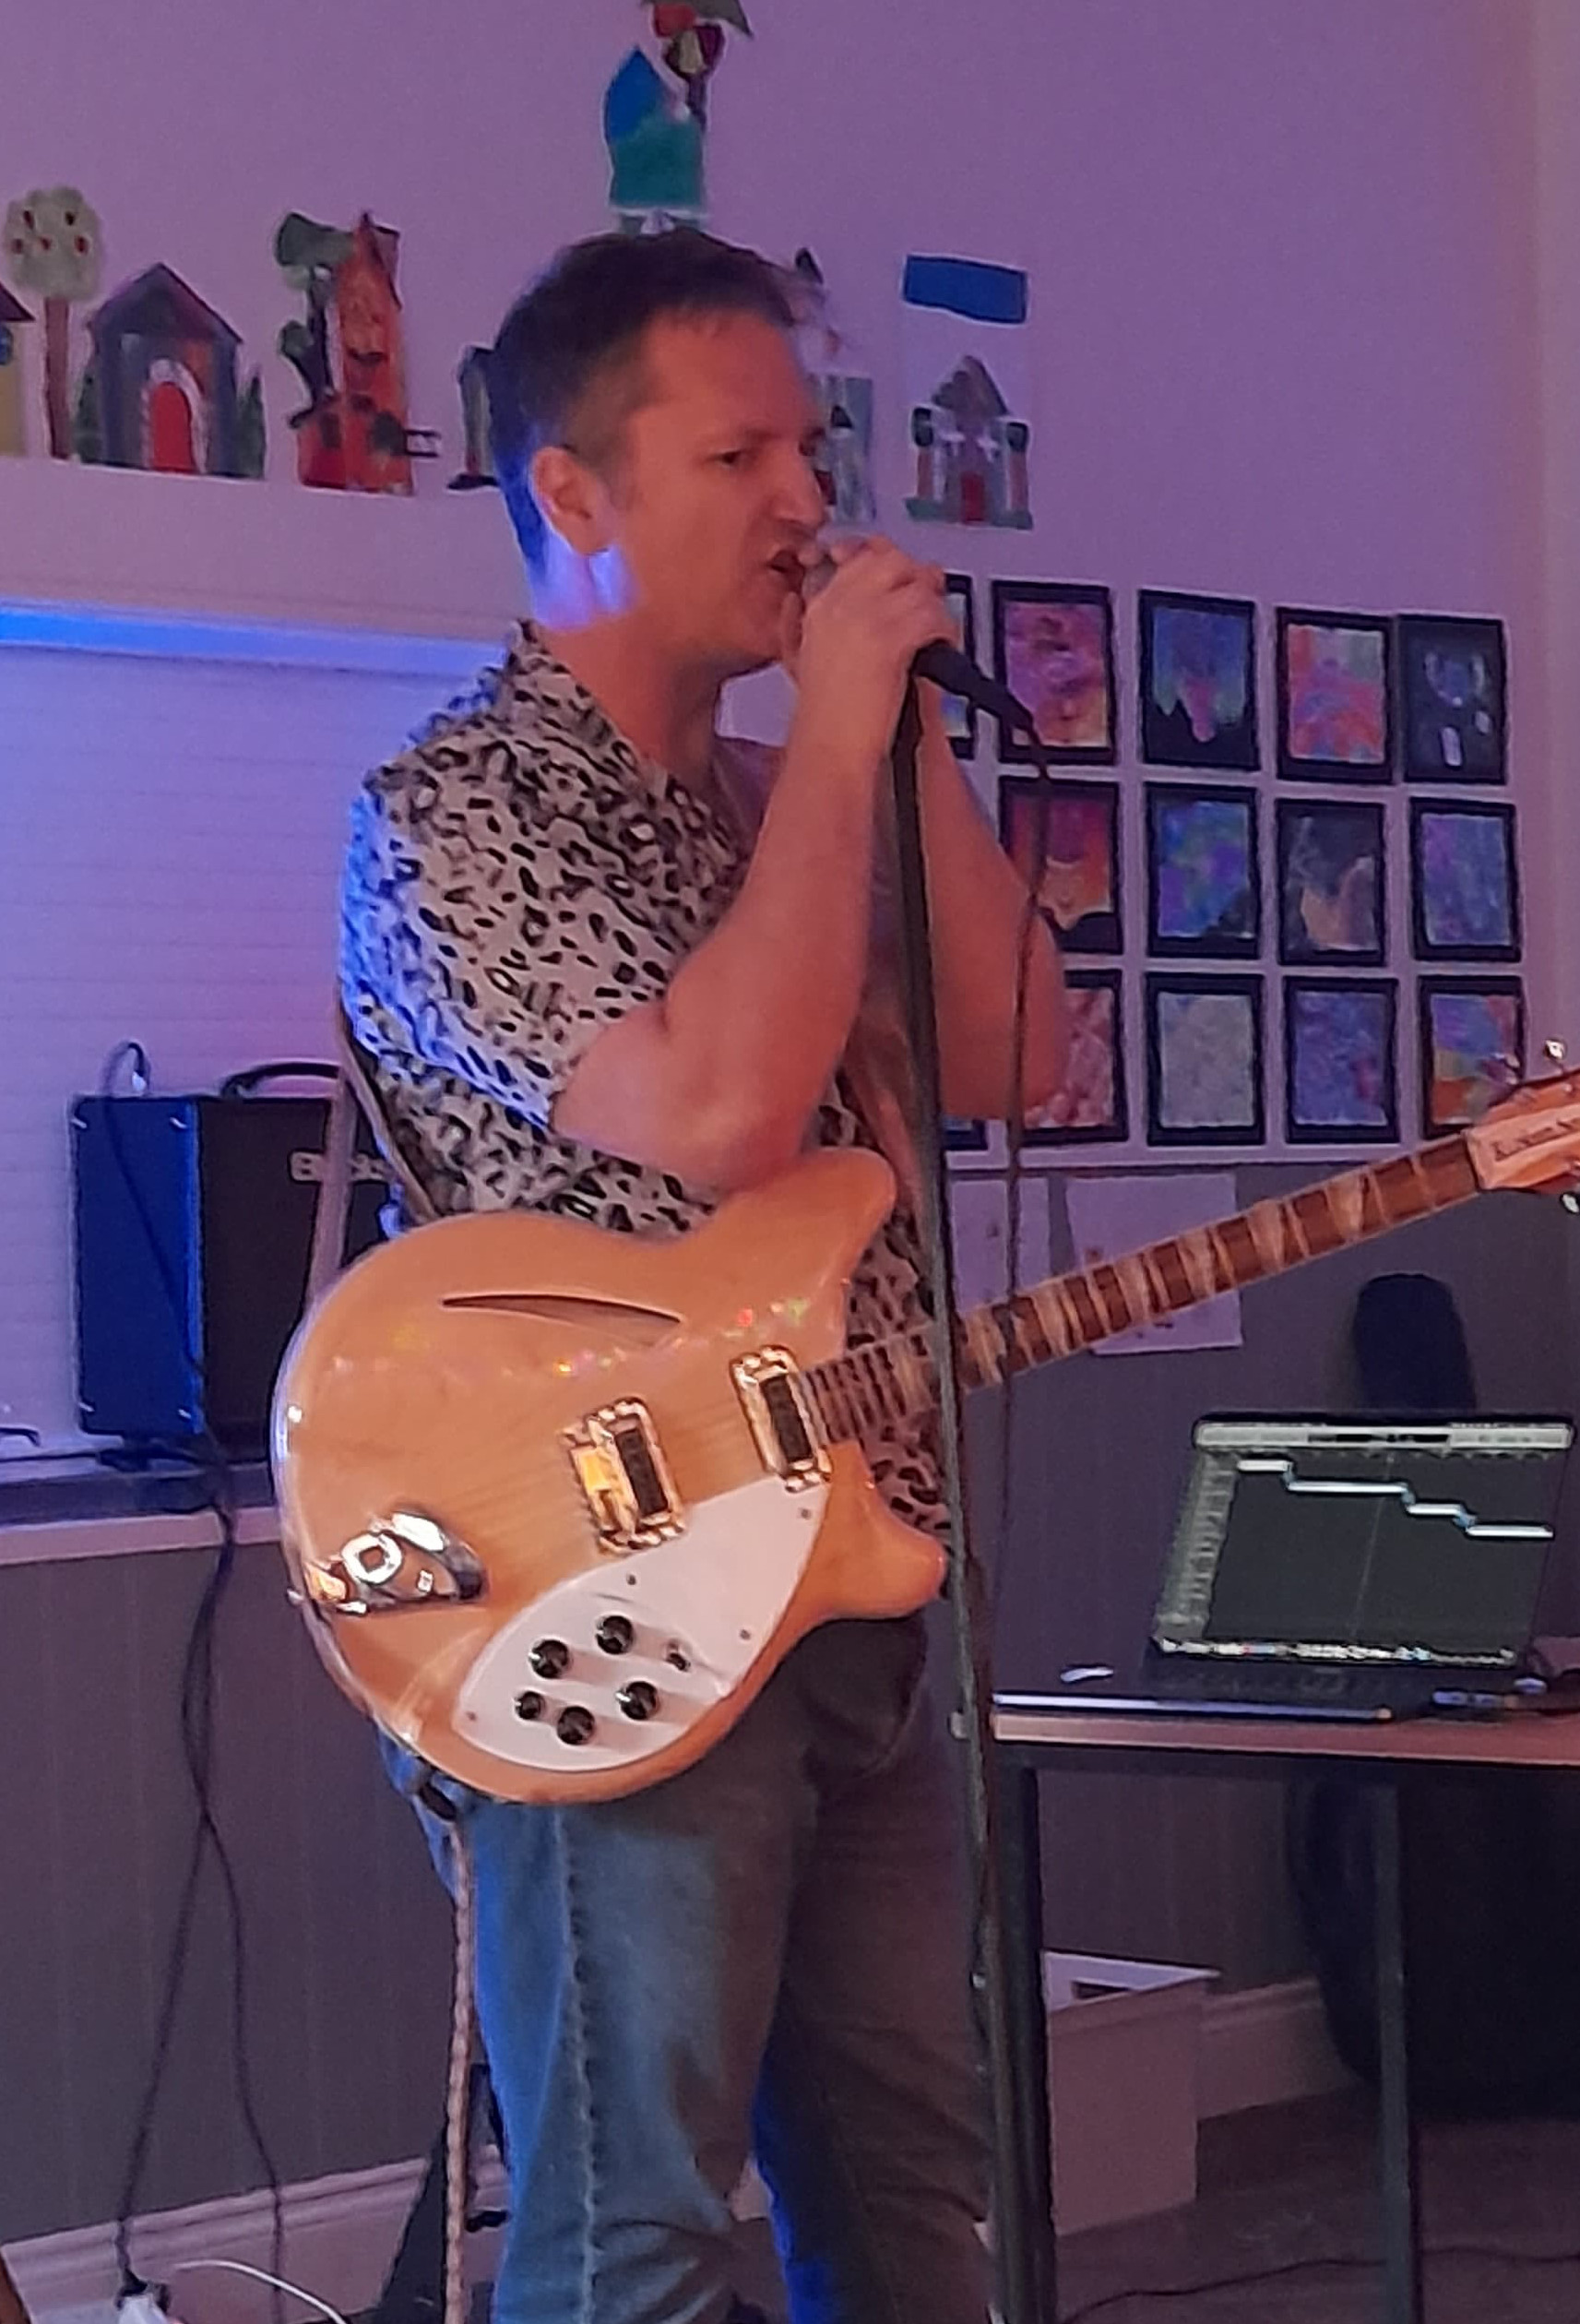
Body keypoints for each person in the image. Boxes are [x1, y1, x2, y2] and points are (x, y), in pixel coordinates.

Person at [338, 228, 1067, 2324]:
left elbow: (1020, 1053)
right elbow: (728, 1110)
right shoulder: (448, 814)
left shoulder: (790, 788)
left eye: (811, 451)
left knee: (914, 2200)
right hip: (614, 1602)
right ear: (572, 493)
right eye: (739, 456)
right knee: (636, 2229)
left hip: (850, 1576)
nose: (803, 501)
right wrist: (833, 742)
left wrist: (897, 741)